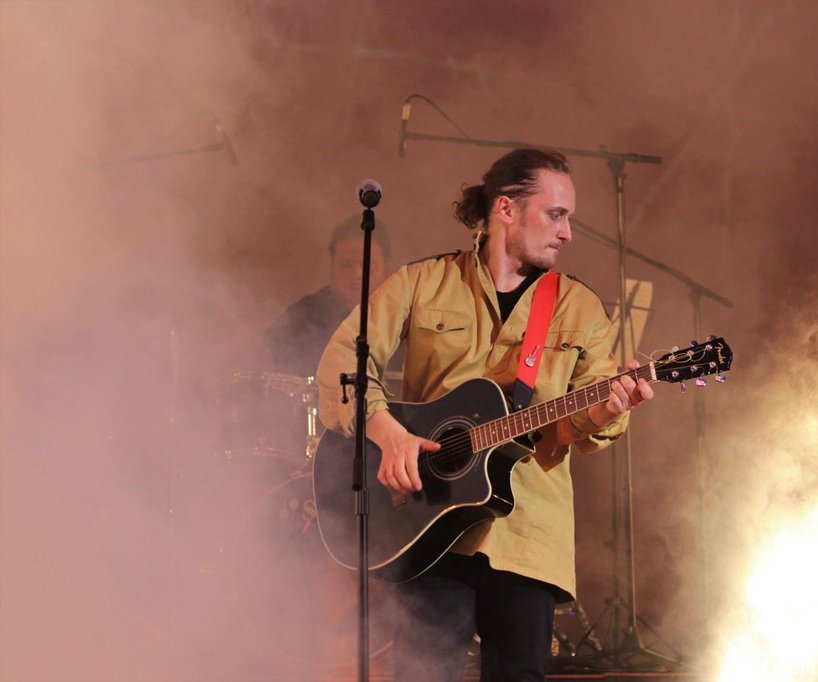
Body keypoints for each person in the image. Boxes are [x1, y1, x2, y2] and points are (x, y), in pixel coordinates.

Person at [316, 149, 654, 681]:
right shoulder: (422, 281)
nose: (567, 233)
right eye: (555, 215)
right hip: (427, 525)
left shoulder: (580, 307)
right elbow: (341, 363)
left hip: (528, 533)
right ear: (506, 208)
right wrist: (388, 432)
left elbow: (579, 430)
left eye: (569, 218)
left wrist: (607, 409)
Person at [264, 216, 389, 378]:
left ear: (386, 270)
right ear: (332, 268)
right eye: (346, 264)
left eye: (367, 264)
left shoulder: (404, 320)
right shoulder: (302, 317)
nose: (356, 274)